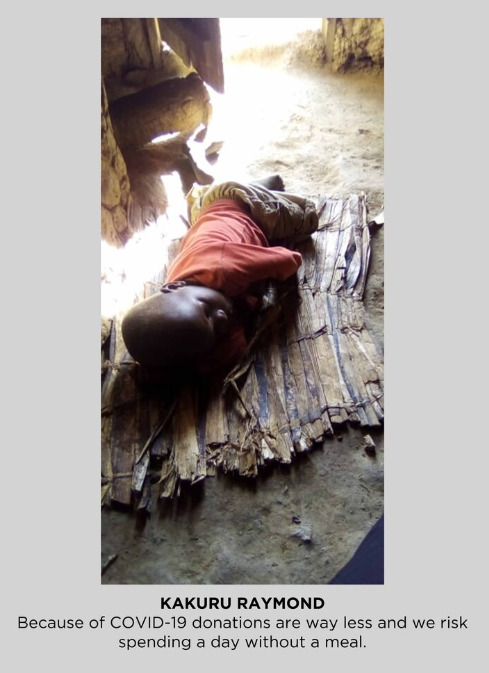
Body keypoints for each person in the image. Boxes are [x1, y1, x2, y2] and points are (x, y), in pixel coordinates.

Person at [121, 176, 318, 376]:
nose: (222, 317)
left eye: (206, 310)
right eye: (216, 331)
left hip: (242, 203)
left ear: (173, 287)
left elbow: (289, 259)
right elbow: (224, 351)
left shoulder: (223, 268)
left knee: (306, 219)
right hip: (204, 212)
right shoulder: (178, 299)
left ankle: (264, 186)